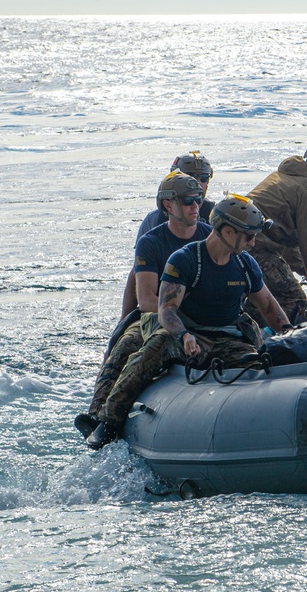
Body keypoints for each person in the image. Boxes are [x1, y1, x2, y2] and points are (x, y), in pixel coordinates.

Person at [86, 195, 291, 449]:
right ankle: (109, 420)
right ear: (227, 231)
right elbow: (167, 309)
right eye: (248, 235)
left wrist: (290, 335)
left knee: (260, 364)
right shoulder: (185, 260)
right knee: (153, 349)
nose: (253, 242)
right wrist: (183, 335)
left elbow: (269, 306)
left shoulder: (245, 264)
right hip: (190, 335)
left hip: (228, 340)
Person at [74, 171, 212, 439]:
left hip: (200, 316)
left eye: (199, 199)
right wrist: (172, 316)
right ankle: (98, 413)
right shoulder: (151, 243)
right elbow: (147, 299)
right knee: (126, 344)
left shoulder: (209, 239)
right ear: (167, 206)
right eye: (188, 201)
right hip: (157, 314)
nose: (196, 206)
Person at [244, 136, 307, 325]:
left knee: (258, 299)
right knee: (295, 298)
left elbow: (286, 243)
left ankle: (251, 331)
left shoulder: (283, 177)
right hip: (254, 248)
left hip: (238, 243)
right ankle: (273, 346)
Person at [121, 151, 216, 320]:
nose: (199, 183)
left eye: (204, 178)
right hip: (161, 294)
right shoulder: (155, 220)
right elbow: (138, 272)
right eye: (192, 177)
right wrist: (125, 319)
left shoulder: (214, 216)